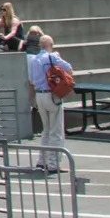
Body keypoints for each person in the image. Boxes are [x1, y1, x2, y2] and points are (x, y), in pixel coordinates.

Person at [28, 34, 73, 172]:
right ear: (51, 45)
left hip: (39, 95)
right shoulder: (52, 57)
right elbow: (69, 68)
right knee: (56, 131)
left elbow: (31, 80)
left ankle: (42, 160)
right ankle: (53, 164)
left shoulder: (33, 60)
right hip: (51, 95)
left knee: (46, 130)